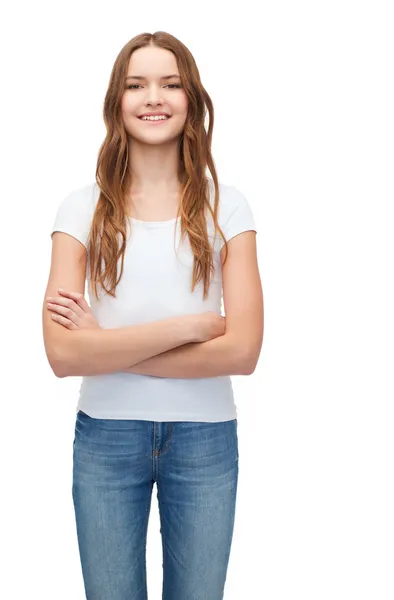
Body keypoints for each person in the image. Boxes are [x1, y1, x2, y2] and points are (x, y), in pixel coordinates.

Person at [43, 31, 264, 600]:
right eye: (136, 84)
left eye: (170, 83)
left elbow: (242, 352)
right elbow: (64, 355)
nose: (153, 97)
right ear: (117, 101)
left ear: (191, 97)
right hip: (106, 440)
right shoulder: (80, 209)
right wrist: (189, 327)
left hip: (206, 440)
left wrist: (109, 347)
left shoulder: (227, 205)